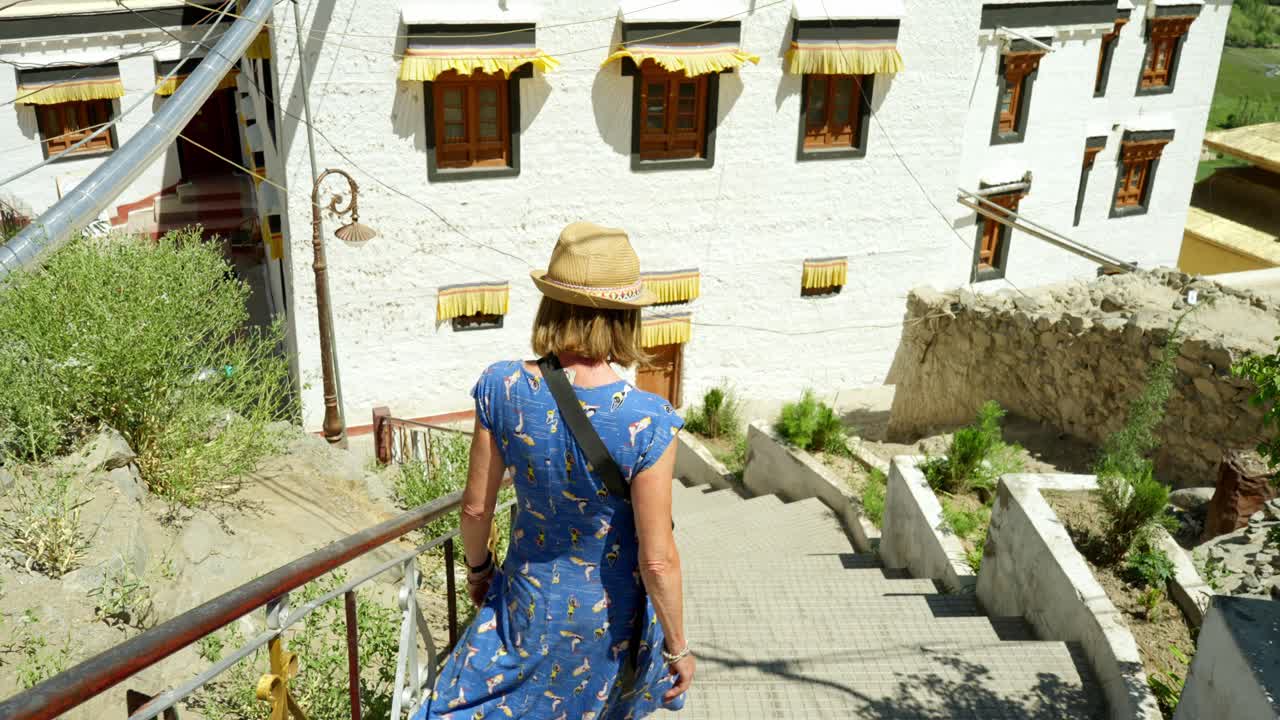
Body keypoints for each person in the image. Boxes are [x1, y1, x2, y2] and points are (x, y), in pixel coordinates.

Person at [415, 222, 695, 720]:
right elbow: (657, 561)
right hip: (607, 625)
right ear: (626, 316)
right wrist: (677, 648)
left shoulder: (502, 387)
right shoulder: (649, 420)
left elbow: (477, 507)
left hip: (524, 603)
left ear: (551, 304)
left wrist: (479, 571)